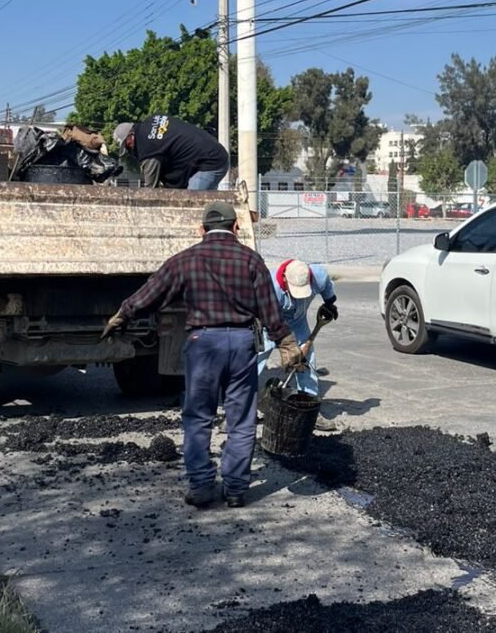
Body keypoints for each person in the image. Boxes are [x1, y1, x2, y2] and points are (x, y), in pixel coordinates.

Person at [102, 201, 301, 509]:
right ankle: (235, 489)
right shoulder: (252, 260)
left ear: (201, 229)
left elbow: (152, 292)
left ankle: (202, 487)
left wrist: (122, 315)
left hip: (203, 343)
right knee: (241, 419)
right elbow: (269, 310)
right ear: (236, 228)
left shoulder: (185, 260)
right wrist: (287, 343)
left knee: (198, 416)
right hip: (242, 343)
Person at [258, 259, 339, 431]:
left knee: (307, 361)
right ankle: (237, 411)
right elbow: (264, 316)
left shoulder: (318, 275)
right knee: (254, 362)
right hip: (270, 323)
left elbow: (327, 290)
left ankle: (310, 410)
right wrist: (286, 346)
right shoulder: (270, 285)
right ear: (285, 280)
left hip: (298, 322)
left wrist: (330, 303)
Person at [112, 116, 229, 190]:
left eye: (127, 145)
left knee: (190, 202)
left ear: (131, 137)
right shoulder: (150, 121)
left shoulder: (146, 147)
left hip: (211, 161)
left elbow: (150, 188)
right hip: (212, 152)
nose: (129, 150)